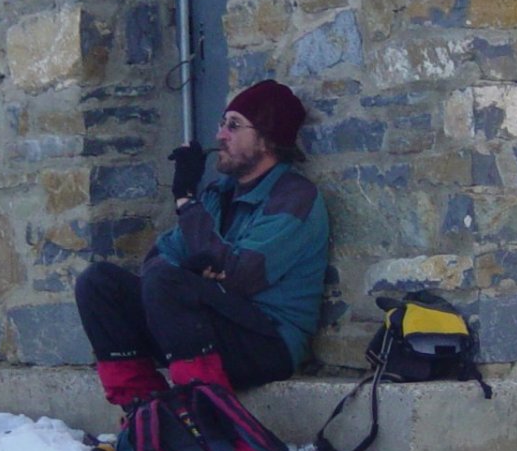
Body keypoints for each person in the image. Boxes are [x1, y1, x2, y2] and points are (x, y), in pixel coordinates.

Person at [74, 79, 329, 412]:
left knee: (168, 284)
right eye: (222, 123)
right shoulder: (218, 194)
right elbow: (156, 261)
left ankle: (206, 412)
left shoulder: (294, 197)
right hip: (201, 327)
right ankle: (143, 409)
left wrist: (186, 201)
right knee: (99, 283)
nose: (220, 134)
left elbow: (240, 275)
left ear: (267, 139)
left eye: (234, 126)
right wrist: (193, 271)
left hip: (266, 341)